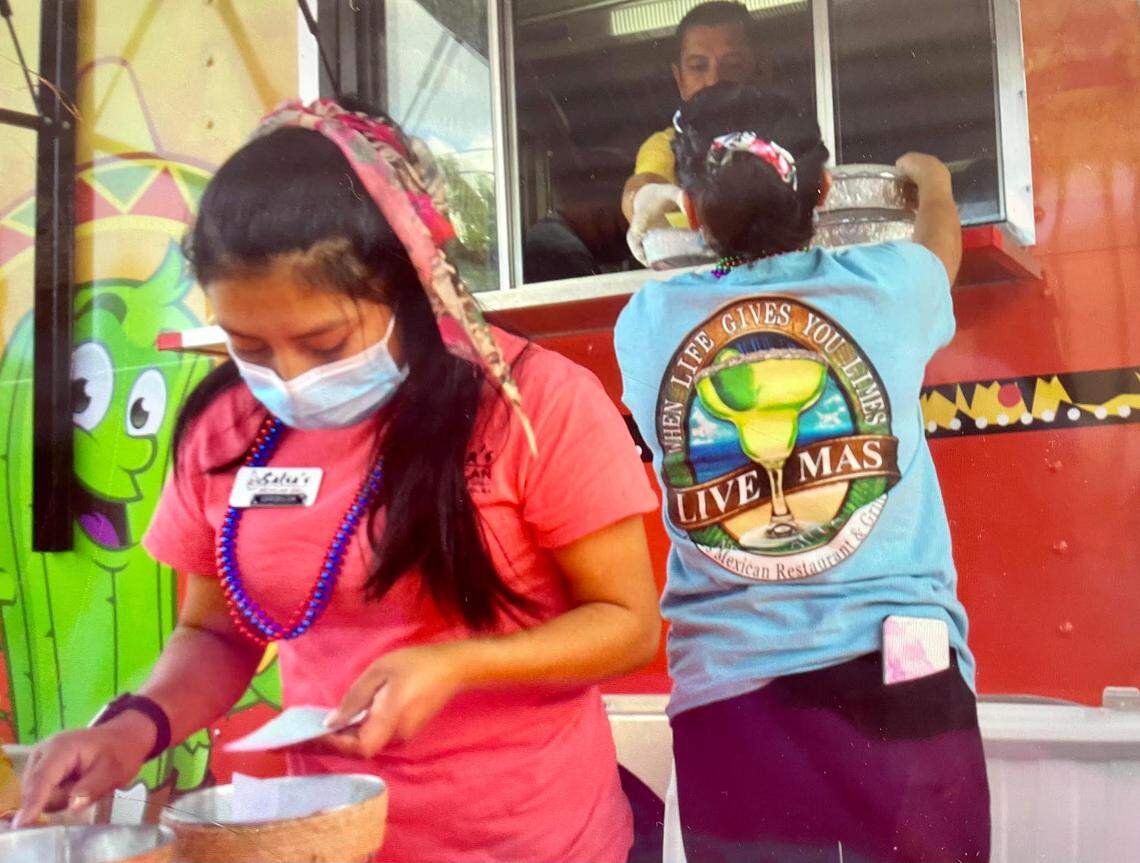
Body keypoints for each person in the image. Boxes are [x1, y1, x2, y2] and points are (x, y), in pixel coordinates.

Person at [17, 99, 662, 863]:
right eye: (248, 344)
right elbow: (214, 631)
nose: (285, 377)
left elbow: (627, 624)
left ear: (408, 287)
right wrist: (130, 729)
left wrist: (457, 664)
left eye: (324, 343)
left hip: (528, 838)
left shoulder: (532, 404)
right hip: (328, 838)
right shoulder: (228, 430)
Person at [614, 82, 990, 862]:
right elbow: (939, 241)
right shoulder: (892, 285)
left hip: (732, 688)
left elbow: (645, 229)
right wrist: (937, 183)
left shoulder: (646, 325)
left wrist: (648, 212)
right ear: (822, 192)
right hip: (905, 664)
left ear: (690, 208)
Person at [621, 2, 768, 227]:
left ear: (758, 70)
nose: (714, 80)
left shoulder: (786, 135)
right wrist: (642, 199)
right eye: (698, 66)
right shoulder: (665, 144)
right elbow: (643, 184)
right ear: (680, 79)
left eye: (732, 64)